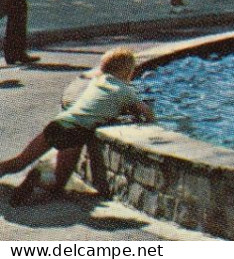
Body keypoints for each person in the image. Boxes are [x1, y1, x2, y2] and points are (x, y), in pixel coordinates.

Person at [1, 47, 153, 205]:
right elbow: (147, 113)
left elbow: (100, 102)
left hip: (58, 123)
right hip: (74, 132)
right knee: (58, 183)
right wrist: (148, 122)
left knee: (18, 162)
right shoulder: (125, 91)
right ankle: (37, 177)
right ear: (128, 71)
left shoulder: (97, 81)